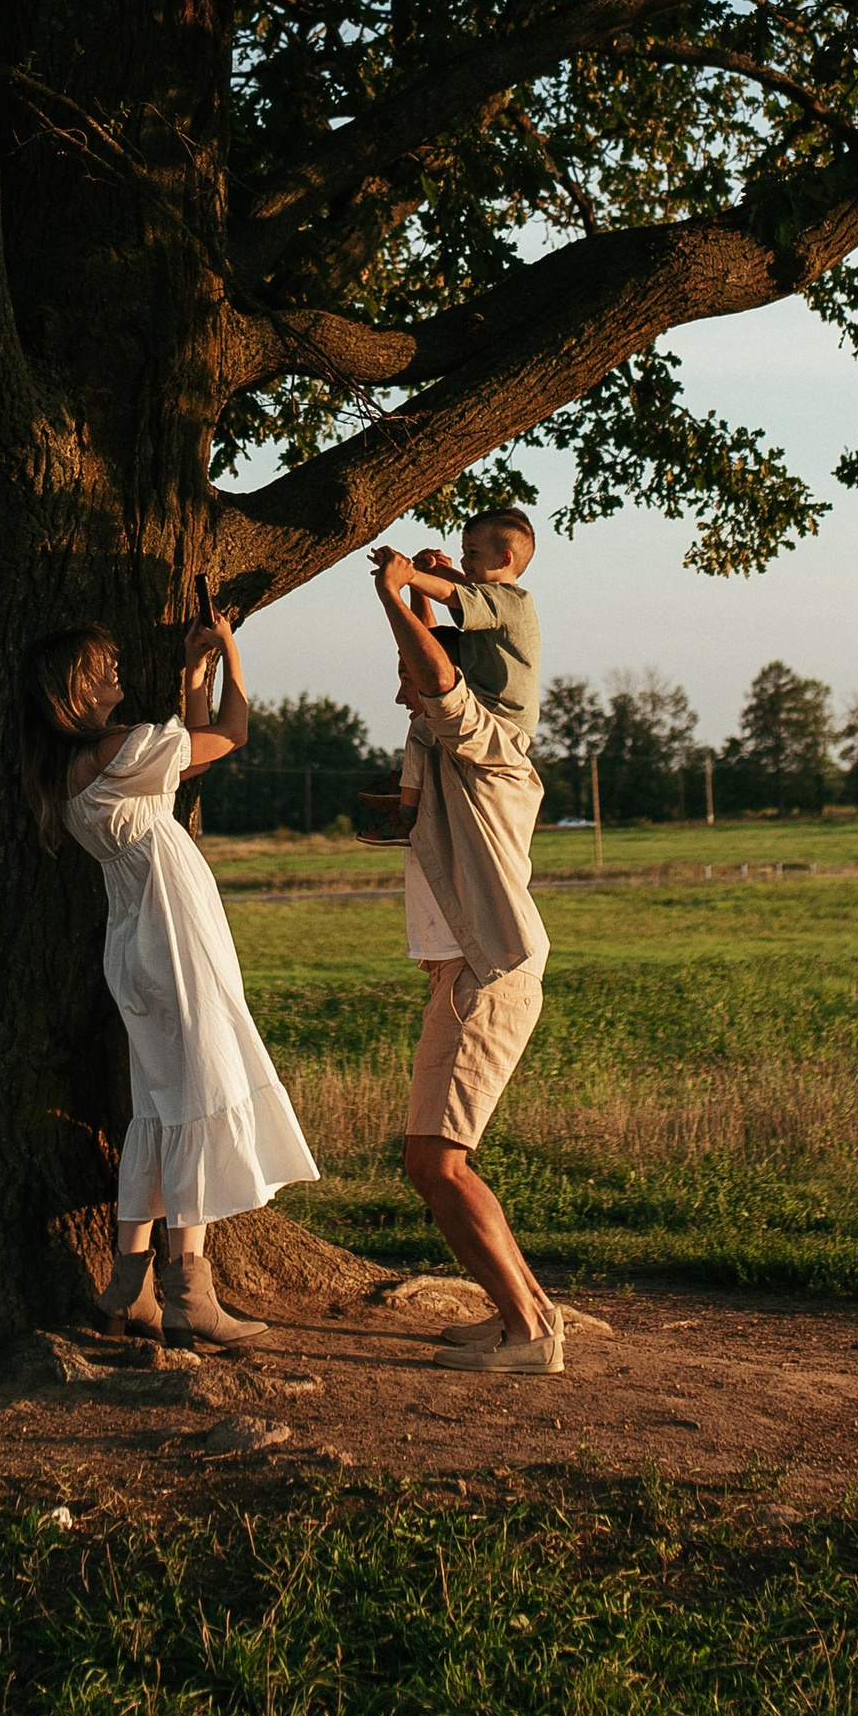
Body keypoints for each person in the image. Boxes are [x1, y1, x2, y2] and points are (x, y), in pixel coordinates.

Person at [20, 605, 317, 1345]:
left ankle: (128, 1285)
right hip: (175, 940)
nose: (116, 670)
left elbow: (195, 755)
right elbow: (232, 735)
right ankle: (190, 1290)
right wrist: (232, 659)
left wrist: (194, 673)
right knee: (197, 1096)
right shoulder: (122, 745)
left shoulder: (82, 765)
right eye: (102, 664)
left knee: (159, 1106)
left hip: (135, 943)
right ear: (76, 687)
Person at [369, 509, 563, 1372]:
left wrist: (396, 593)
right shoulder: (447, 754)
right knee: (434, 1160)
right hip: (466, 973)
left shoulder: (492, 751)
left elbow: (446, 680)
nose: (405, 681)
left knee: (436, 1164)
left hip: (489, 974)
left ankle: (527, 1334)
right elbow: (435, 691)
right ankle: (529, 1314)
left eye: (412, 672)